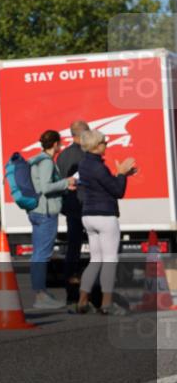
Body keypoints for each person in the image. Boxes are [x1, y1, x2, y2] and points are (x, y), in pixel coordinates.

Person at [73, 129, 137, 316]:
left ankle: (82, 301)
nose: (106, 145)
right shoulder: (99, 167)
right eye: (104, 142)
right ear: (96, 145)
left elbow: (104, 185)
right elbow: (117, 191)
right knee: (110, 260)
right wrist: (122, 174)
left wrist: (122, 175)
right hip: (105, 216)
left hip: (88, 215)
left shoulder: (84, 164)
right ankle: (107, 304)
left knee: (95, 260)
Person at [28, 130, 76, 309]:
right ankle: (40, 296)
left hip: (37, 210)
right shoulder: (47, 162)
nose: (60, 145)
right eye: (60, 143)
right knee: (42, 254)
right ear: (55, 144)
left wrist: (63, 187)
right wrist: (67, 182)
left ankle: (41, 293)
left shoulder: (36, 159)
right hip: (46, 212)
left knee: (38, 254)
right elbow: (46, 187)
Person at [56, 119, 89, 305]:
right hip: (86, 206)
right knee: (97, 251)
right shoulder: (86, 154)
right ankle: (92, 291)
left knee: (72, 250)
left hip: (70, 206)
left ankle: (71, 292)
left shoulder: (62, 156)